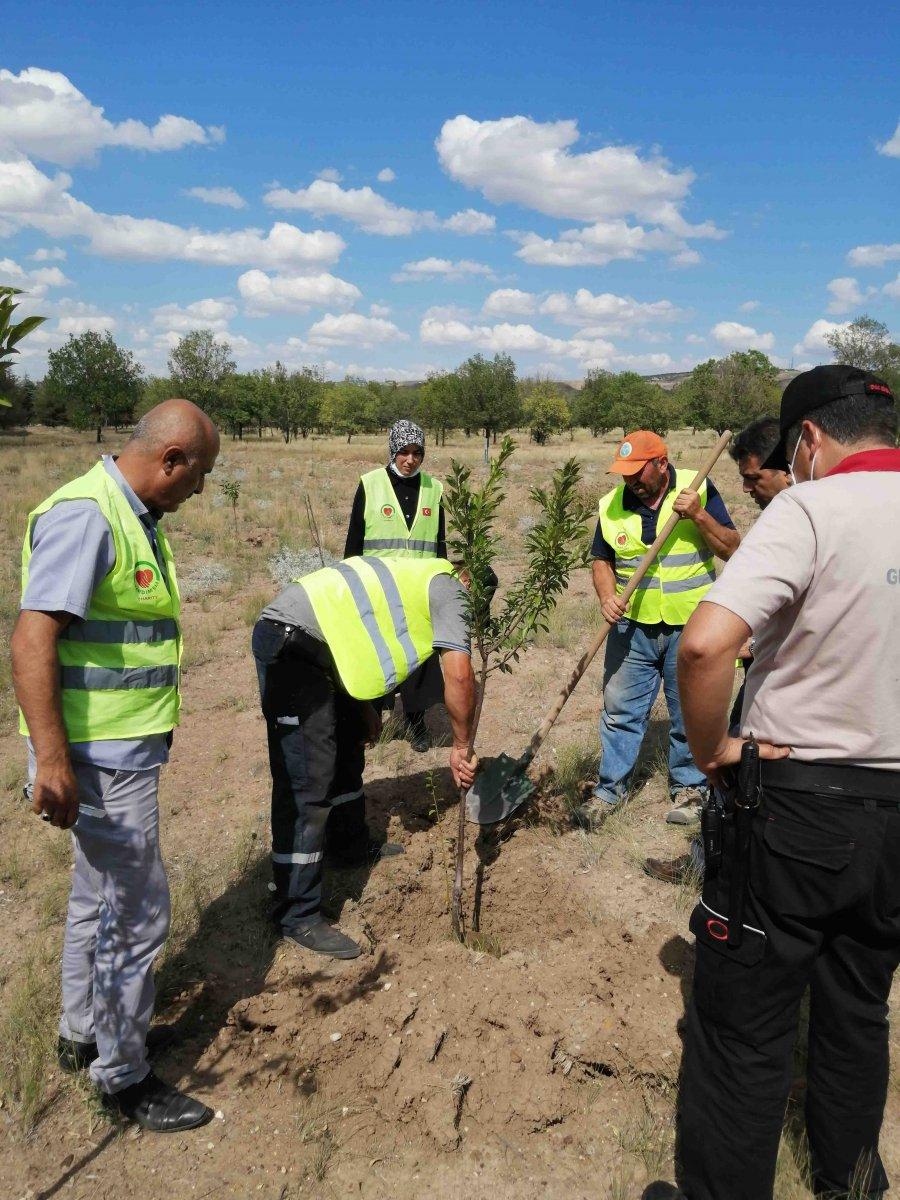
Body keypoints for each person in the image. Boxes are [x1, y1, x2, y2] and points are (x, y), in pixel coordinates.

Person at [645, 366, 900, 1200]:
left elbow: (704, 644)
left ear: (811, 441)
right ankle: (852, 1183)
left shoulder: (809, 506)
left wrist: (713, 746)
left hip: (797, 805)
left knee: (742, 1029)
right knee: (858, 1012)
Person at [10, 400, 220, 1134]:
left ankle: (84, 1033)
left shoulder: (128, 514)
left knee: (97, 894)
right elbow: (33, 639)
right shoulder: (92, 516)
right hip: (98, 759)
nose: (198, 493)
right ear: (171, 460)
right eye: (198, 477)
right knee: (137, 909)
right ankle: (124, 1076)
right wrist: (53, 760)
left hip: (117, 752)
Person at [252, 554, 478, 960]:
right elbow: (459, 674)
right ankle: (296, 912)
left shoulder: (421, 576)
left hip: (322, 650)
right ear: (467, 582)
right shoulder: (450, 588)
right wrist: (461, 745)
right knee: (307, 780)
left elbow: (357, 633)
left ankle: (349, 846)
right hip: (292, 645)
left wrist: (363, 707)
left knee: (346, 751)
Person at [644, 417, 790, 883]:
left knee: (735, 769)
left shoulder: (796, 521)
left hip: (782, 683)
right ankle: (715, 859)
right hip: (771, 665)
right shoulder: (798, 515)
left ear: (789, 466)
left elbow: (704, 647)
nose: (747, 489)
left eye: (753, 477)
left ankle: (717, 866)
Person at [576, 430, 739, 831]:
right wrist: (606, 596)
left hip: (692, 624)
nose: (629, 480)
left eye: (637, 471)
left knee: (689, 711)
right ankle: (609, 789)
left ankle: (690, 789)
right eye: (624, 472)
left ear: (661, 464)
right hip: (632, 629)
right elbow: (601, 560)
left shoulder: (695, 488)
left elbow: (733, 548)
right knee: (620, 711)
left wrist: (699, 515)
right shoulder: (612, 505)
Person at [344, 419, 447, 751]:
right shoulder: (370, 484)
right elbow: (354, 544)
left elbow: (439, 545)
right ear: (393, 450)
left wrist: (441, 585)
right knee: (376, 655)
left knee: (416, 660)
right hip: (376, 591)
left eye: (417, 453)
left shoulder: (434, 489)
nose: (410, 460)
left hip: (417, 593)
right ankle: (369, 722)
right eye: (403, 452)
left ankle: (415, 724)